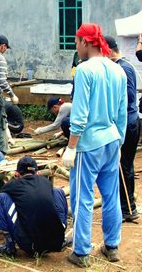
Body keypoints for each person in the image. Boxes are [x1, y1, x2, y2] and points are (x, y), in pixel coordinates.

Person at [61, 23, 127, 267]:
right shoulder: (117, 69)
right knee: (111, 196)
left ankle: (80, 251)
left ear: (86, 43)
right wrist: (119, 142)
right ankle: (112, 246)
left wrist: (71, 147)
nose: (76, 48)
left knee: (82, 197)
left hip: (88, 144)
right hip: (111, 139)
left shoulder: (85, 70)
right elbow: (121, 112)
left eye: (77, 42)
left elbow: (79, 114)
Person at [0, 156, 68, 257]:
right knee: (57, 191)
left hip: (30, 245)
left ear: (17, 174)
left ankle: (9, 246)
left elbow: (3, 199)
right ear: (38, 173)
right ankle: (62, 236)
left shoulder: (13, 184)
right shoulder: (45, 182)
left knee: (2, 197)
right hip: (55, 242)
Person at [106, 35, 140, 222]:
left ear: (110, 50)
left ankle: (128, 208)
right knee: (125, 165)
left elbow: (127, 95)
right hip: (131, 120)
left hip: (127, 122)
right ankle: (126, 204)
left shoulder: (122, 68)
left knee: (123, 165)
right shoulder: (125, 65)